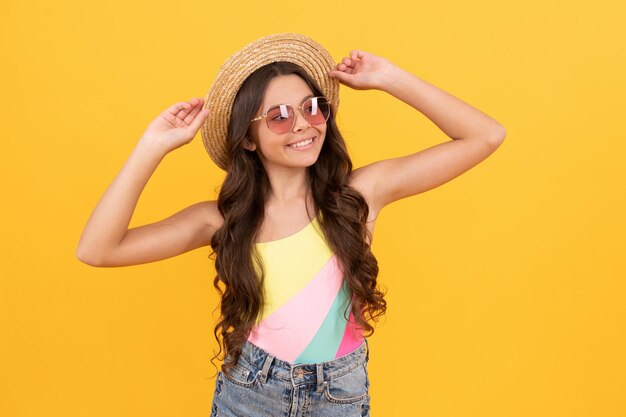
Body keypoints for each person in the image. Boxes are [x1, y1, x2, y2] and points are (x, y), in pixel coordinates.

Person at [77, 33, 506, 417]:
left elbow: (485, 136)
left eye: (312, 108)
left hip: (340, 393)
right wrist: (151, 146)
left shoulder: (358, 195)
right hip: (250, 393)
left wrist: (390, 78)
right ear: (248, 137)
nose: (303, 124)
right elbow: (97, 250)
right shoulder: (222, 219)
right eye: (279, 116)